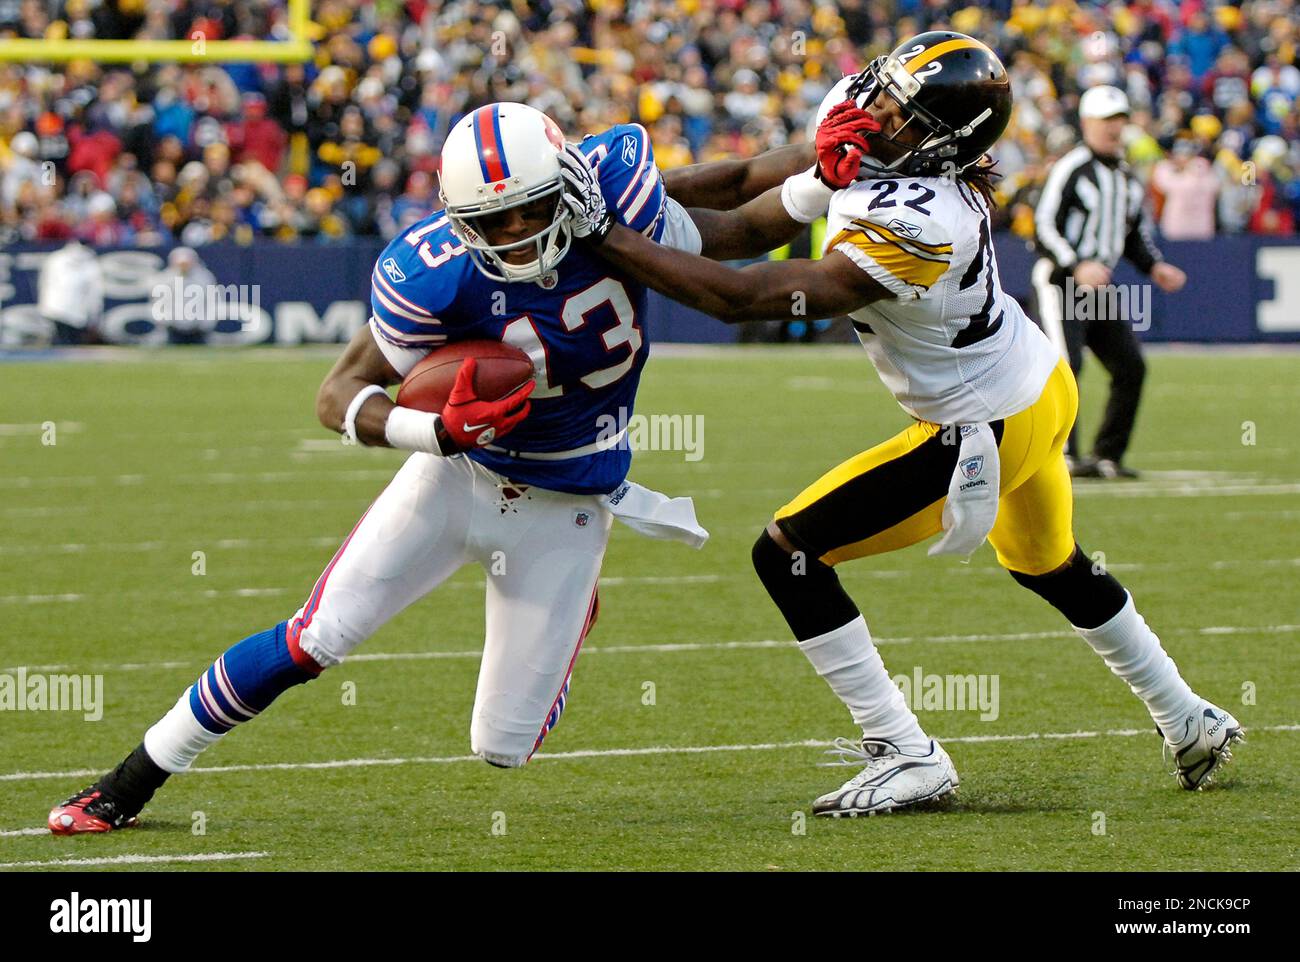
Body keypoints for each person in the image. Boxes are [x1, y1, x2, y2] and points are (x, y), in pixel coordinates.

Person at [46, 103, 814, 834]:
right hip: (459, 475)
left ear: (568, 188)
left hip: (567, 499)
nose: (512, 232)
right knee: (314, 638)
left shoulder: (621, 207)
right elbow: (337, 394)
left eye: (529, 208)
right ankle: (129, 780)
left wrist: (827, 167)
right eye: (490, 219)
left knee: (502, 746)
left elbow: (743, 209)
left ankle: (572, 602)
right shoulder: (435, 271)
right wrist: (433, 431)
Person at [561, 32, 1243, 817]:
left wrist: (602, 234)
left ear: (942, 145)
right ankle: (1187, 717)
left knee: (789, 554)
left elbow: (744, 292)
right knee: (1051, 565)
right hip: (1036, 382)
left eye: (900, 112)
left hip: (983, 424)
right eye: (881, 90)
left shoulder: (928, 222)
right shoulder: (873, 127)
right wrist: (626, 199)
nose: (875, 110)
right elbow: (747, 195)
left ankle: (906, 751)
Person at [1032, 85, 1187, 479]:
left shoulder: (1126, 177)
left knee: (1130, 366)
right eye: (1105, 120)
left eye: (1119, 119)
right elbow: (1043, 225)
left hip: (1099, 287)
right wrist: (1075, 263)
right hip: (1060, 282)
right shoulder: (1071, 167)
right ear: (1086, 123)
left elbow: (1131, 235)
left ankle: (1108, 456)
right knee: (1066, 366)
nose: (1113, 128)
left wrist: (1155, 267)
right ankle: (1060, 456)